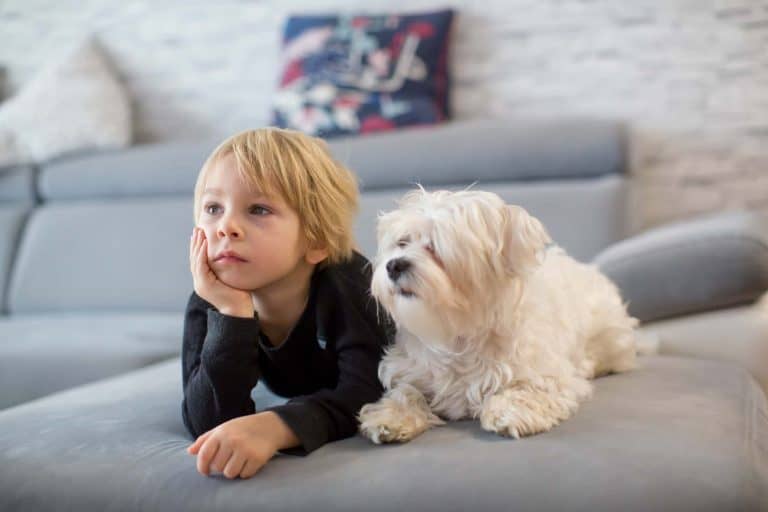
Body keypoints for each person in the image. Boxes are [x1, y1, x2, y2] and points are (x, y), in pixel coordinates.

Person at [182, 127, 392, 479]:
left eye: (258, 209)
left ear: (316, 240)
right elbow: (207, 423)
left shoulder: (349, 283)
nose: (226, 227)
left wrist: (278, 426)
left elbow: (371, 392)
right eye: (213, 208)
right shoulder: (210, 297)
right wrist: (232, 314)